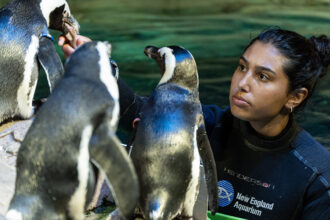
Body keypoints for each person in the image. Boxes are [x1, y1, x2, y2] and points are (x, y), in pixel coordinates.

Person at [58, 28, 330, 219]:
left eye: (263, 77)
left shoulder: (315, 176)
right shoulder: (211, 125)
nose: (242, 84)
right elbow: (141, 114)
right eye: (242, 67)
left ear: (295, 97)